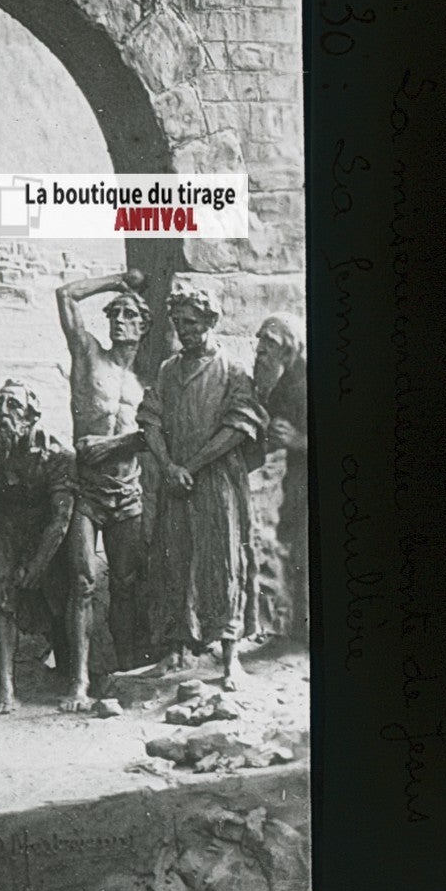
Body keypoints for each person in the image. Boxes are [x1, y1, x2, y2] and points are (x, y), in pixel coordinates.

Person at [141, 283, 268, 690]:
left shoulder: (231, 370)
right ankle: (175, 651)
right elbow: (150, 419)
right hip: (177, 482)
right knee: (173, 559)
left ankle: (230, 658)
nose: (184, 330)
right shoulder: (168, 369)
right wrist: (168, 466)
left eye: (192, 323)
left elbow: (239, 426)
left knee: (222, 561)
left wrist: (190, 466)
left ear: (211, 321)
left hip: (217, 481)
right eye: (178, 323)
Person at [55, 267, 152, 709]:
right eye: (114, 314)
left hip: (127, 492)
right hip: (86, 491)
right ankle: (78, 681)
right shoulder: (89, 355)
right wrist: (117, 281)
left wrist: (114, 444)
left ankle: (126, 668)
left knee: (127, 583)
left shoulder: (146, 382)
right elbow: (66, 295)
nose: (118, 321)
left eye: (129, 315)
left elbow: (154, 436)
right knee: (82, 582)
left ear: (144, 326)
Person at [0, 381, 76, 714]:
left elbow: (61, 518)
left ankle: (68, 671)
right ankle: (6, 688)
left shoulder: (56, 453)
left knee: (57, 596)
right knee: (0, 599)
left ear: (32, 416)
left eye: (13, 405)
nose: (3, 412)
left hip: (45, 530)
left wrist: (38, 563)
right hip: (4, 526)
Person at [255, 313, 308, 638]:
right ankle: (297, 630)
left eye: (269, 342)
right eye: (259, 340)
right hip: (293, 484)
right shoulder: (282, 385)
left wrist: (298, 440)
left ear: (288, 348)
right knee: (294, 551)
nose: (260, 348)